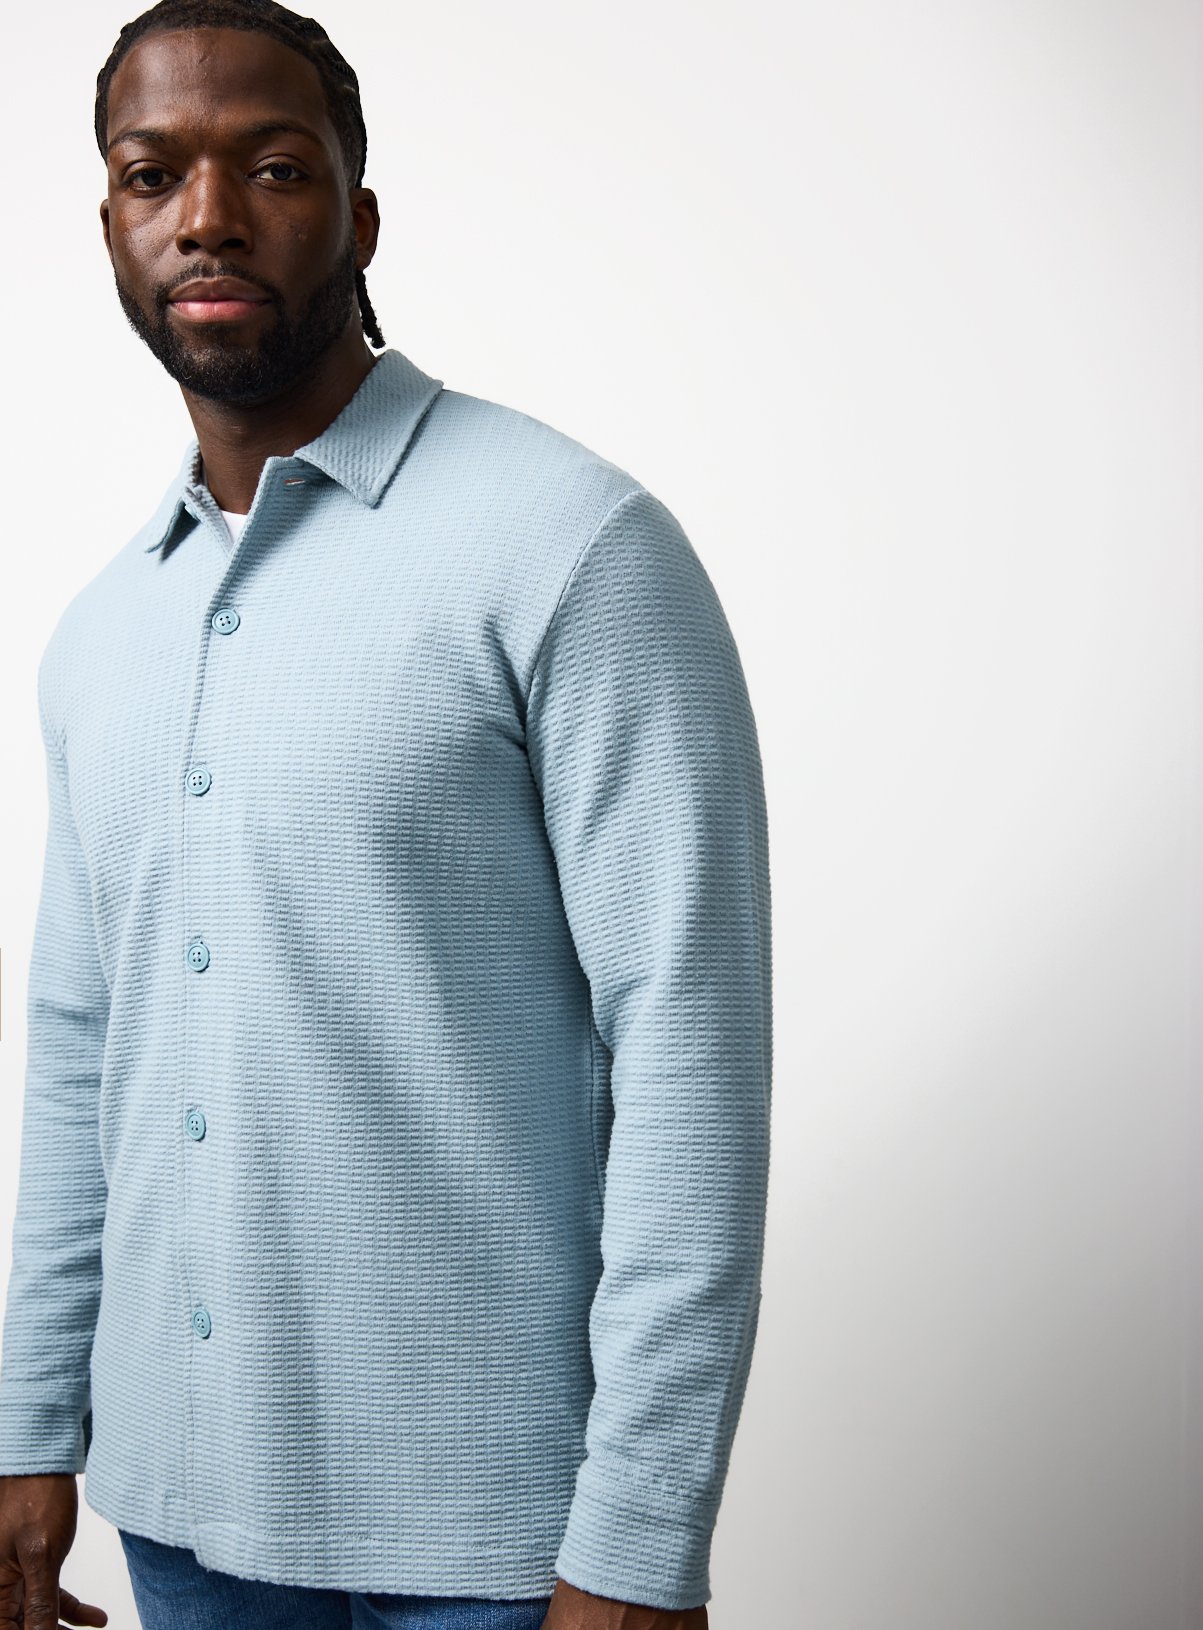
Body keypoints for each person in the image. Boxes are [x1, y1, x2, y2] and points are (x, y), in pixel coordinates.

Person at [0, 2, 773, 1627]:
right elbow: (81, 1052)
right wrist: (29, 1425)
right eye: (152, 174)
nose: (207, 216)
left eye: (272, 167)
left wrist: (641, 1531)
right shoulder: (99, 633)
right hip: (177, 1517)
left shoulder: (572, 546)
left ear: (358, 217)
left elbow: (691, 1055)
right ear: (111, 227)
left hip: (501, 1539)